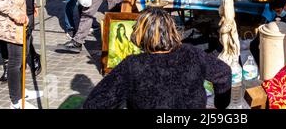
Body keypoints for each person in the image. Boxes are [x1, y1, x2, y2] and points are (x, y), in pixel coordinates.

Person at [82, 8, 232, 109]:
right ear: (172, 30)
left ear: (140, 34)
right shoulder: (192, 53)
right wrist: (221, 104)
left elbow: (94, 103)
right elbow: (224, 73)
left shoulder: (132, 65)